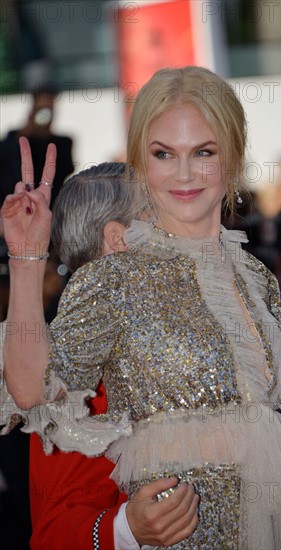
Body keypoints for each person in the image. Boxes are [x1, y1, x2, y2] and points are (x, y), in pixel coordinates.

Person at [1, 66, 281, 548]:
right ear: (142, 164)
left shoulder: (257, 280)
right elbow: (33, 391)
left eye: (203, 152)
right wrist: (26, 259)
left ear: (230, 157)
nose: (184, 173)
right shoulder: (115, 276)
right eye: (164, 154)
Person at [1, 151, 199, 549]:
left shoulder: (181, 332)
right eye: (159, 217)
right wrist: (127, 528)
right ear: (118, 239)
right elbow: (53, 534)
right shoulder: (79, 366)